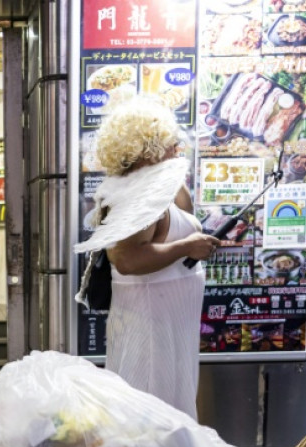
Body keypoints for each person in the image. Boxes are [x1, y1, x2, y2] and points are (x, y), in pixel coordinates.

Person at [74, 97, 220, 419]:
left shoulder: (164, 182)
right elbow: (126, 259)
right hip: (150, 320)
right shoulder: (136, 194)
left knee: (166, 408)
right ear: (147, 146)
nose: (177, 147)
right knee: (150, 409)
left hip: (170, 318)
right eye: (169, 142)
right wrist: (186, 247)